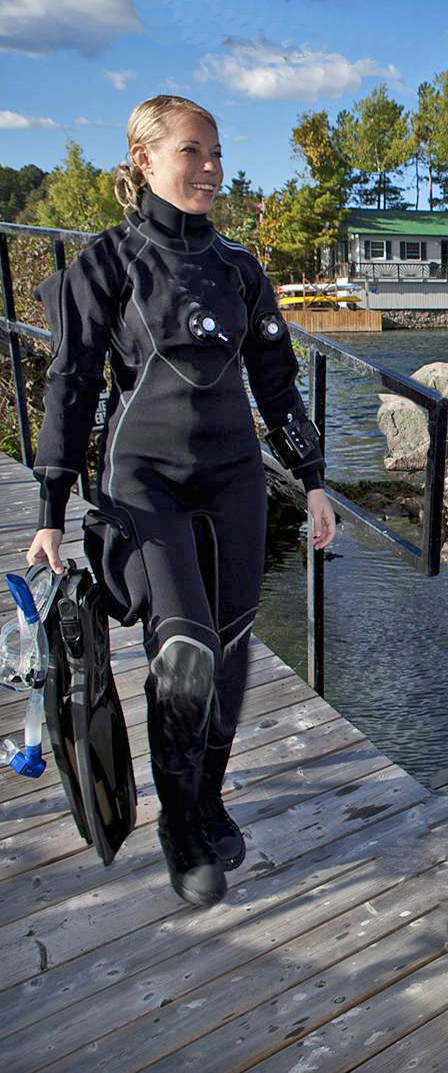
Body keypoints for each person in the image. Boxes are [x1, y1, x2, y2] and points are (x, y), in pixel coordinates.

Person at [26, 94, 336, 907]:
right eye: (192, 151)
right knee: (186, 650)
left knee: (231, 651)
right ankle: (175, 822)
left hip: (235, 476)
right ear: (143, 160)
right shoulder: (105, 267)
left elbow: (276, 382)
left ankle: (207, 800)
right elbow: (68, 389)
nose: (210, 168)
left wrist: (312, 480)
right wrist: (50, 508)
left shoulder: (238, 267)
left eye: (218, 154)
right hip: (146, 483)